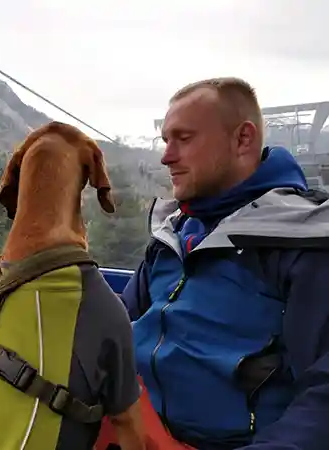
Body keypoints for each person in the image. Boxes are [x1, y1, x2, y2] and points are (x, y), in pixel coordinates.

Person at [120, 77, 329, 450]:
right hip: (136, 430)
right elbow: (117, 328)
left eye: (183, 139)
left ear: (243, 140)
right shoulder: (172, 237)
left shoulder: (304, 243)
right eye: (166, 140)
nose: (166, 156)